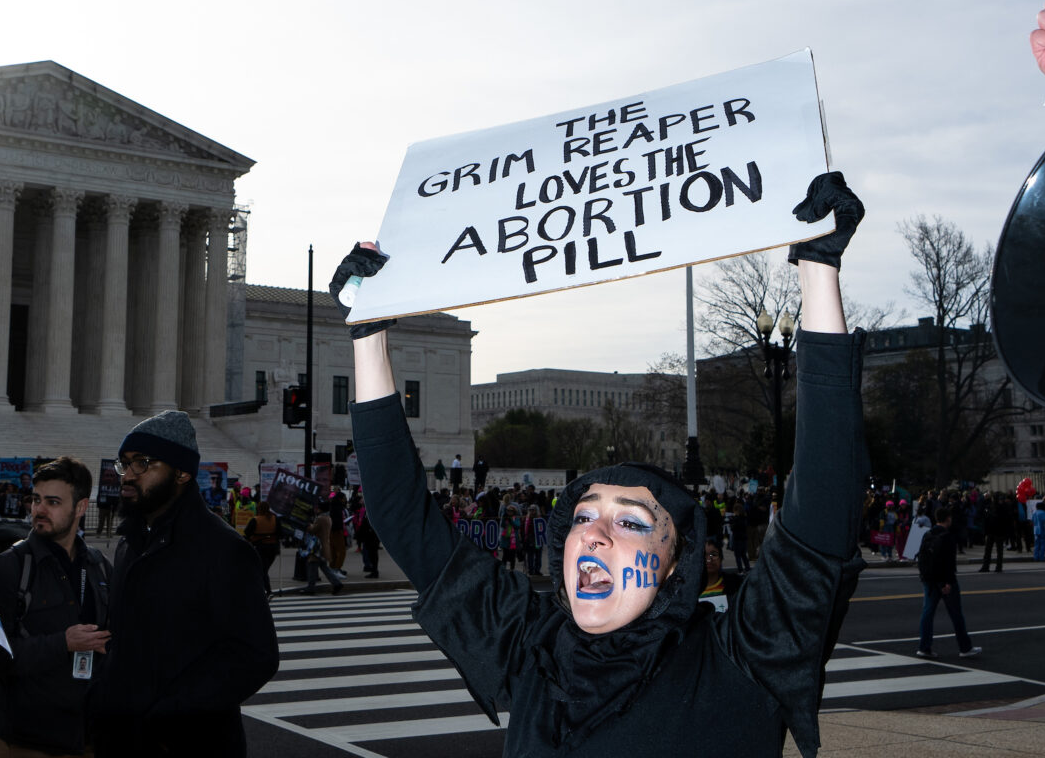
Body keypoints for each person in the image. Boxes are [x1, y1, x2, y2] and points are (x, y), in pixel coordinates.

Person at [334, 170, 869, 755]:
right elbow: (404, 515)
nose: (594, 536)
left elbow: (824, 500)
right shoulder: (533, 650)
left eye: (632, 521)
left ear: (675, 564)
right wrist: (367, 334)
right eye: (583, 518)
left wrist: (818, 272)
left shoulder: (740, 659)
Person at [87, 411, 278, 757]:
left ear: (182, 472)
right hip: (123, 737)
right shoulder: (130, 543)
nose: (127, 476)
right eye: (124, 464)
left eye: (142, 464)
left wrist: (169, 716)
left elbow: (255, 656)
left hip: (188, 743)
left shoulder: (224, 550)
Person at [0, 456, 112, 757]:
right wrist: (62, 643)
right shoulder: (9, 567)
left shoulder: (99, 566)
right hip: (24, 743)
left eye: (53, 502)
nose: (39, 510)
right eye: (36, 500)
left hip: (87, 738)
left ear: (81, 507)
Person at [915, 507, 981, 660]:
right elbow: (947, 563)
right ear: (948, 519)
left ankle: (924, 646)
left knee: (927, 613)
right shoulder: (948, 537)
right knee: (956, 614)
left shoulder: (928, 534)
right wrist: (946, 582)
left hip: (929, 580)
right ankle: (965, 647)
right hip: (944, 581)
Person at [243, 501, 282, 595]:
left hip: (261, 547)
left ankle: (267, 590)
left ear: (259, 509)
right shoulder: (274, 519)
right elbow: (280, 533)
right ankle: (264, 588)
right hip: (273, 548)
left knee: (262, 570)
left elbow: (247, 532)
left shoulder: (255, 520)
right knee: (264, 569)